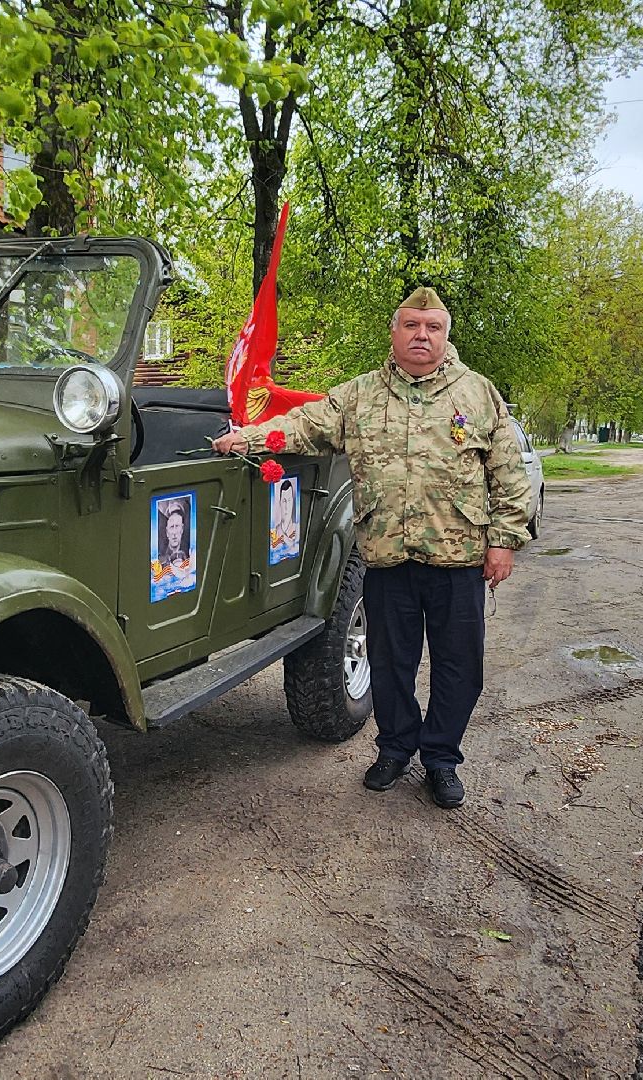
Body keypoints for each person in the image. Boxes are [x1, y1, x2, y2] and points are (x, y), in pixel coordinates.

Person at [214, 286, 533, 808]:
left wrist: (503, 541)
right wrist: (245, 438)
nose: (421, 336)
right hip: (386, 560)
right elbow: (304, 426)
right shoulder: (360, 395)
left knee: (459, 669)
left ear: (445, 336)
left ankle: (442, 760)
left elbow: (509, 474)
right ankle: (394, 749)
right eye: (411, 325)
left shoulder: (477, 395)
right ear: (395, 332)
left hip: (458, 563)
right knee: (389, 666)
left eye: (431, 327)